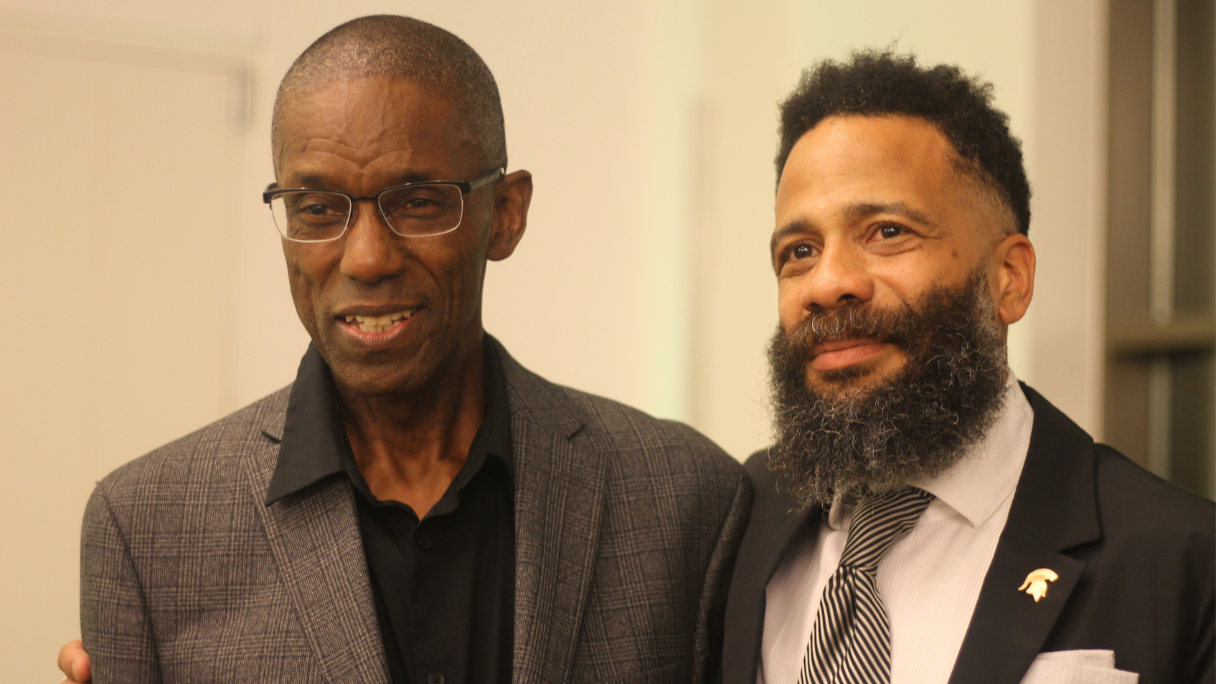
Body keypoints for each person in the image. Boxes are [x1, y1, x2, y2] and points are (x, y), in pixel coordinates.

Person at [60, 15, 749, 684]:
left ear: (505, 215)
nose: (366, 258)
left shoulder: (683, 499)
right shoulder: (149, 528)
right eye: (318, 207)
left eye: (417, 201)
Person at [721, 52, 1214, 684]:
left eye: (887, 231)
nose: (828, 282)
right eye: (801, 250)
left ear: (1009, 279)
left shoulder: (1179, 558)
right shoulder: (736, 520)